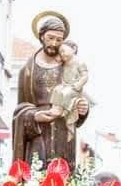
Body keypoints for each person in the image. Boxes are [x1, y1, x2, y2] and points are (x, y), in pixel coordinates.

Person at [13, 14, 89, 166]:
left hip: (63, 134)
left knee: (63, 178)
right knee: (36, 176)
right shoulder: (27, 71)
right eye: (50, 38)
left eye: (59, 40)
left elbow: (76, 96)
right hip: (38, 134)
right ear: (41, 36)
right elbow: (19, 111)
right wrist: (35, 116)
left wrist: (82, 109)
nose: (54, 43)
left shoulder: (69, 67)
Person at [35, 41, 89, 141]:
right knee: (58, 90)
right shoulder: (33, 66)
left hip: (73, 87)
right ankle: (56, 107)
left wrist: (83, 107)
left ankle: (64, 110)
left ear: (74, 49)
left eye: (63, 51)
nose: (62, 53)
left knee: (65, 93)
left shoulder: (79, 63)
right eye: (51, 38)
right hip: (64, 86)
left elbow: (84, 76)